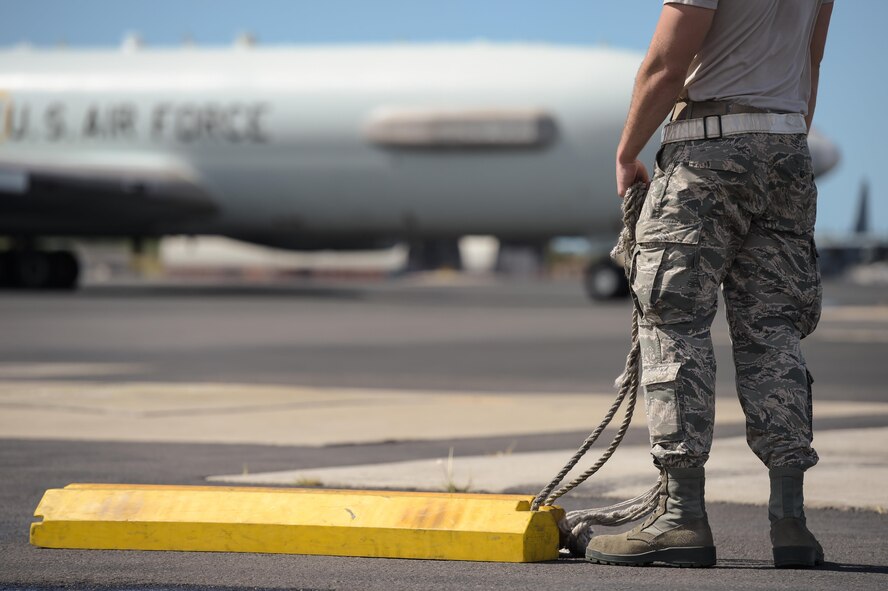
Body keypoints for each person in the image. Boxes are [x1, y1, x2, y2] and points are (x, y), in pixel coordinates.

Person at [584, 0, 833, 569]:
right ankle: (791, 524)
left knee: (674, 324)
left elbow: (667, 65)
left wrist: (628, 153)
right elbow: (809, 61)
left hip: (707, 149)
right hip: (787, 147)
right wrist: (781, 142)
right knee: (774, 334)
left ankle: (681, 517)